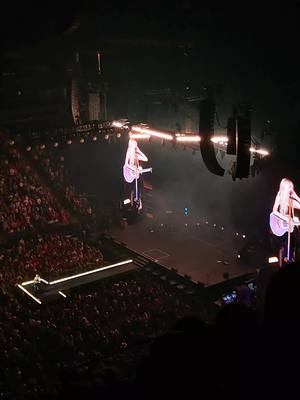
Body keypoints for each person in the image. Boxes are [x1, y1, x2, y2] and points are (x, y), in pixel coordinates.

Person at [272, 178, 300, 263]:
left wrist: (296, 197)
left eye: (292, 187)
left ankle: (291, 257)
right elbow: (274, 211)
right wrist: (285, 219)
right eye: (289, 187)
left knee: (294, 235)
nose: (291, 189)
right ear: (284, 188)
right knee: (289, 238)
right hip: (281, 225)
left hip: (290, 226)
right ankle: (286, 256)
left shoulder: (291, 200)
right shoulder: (279, 197)